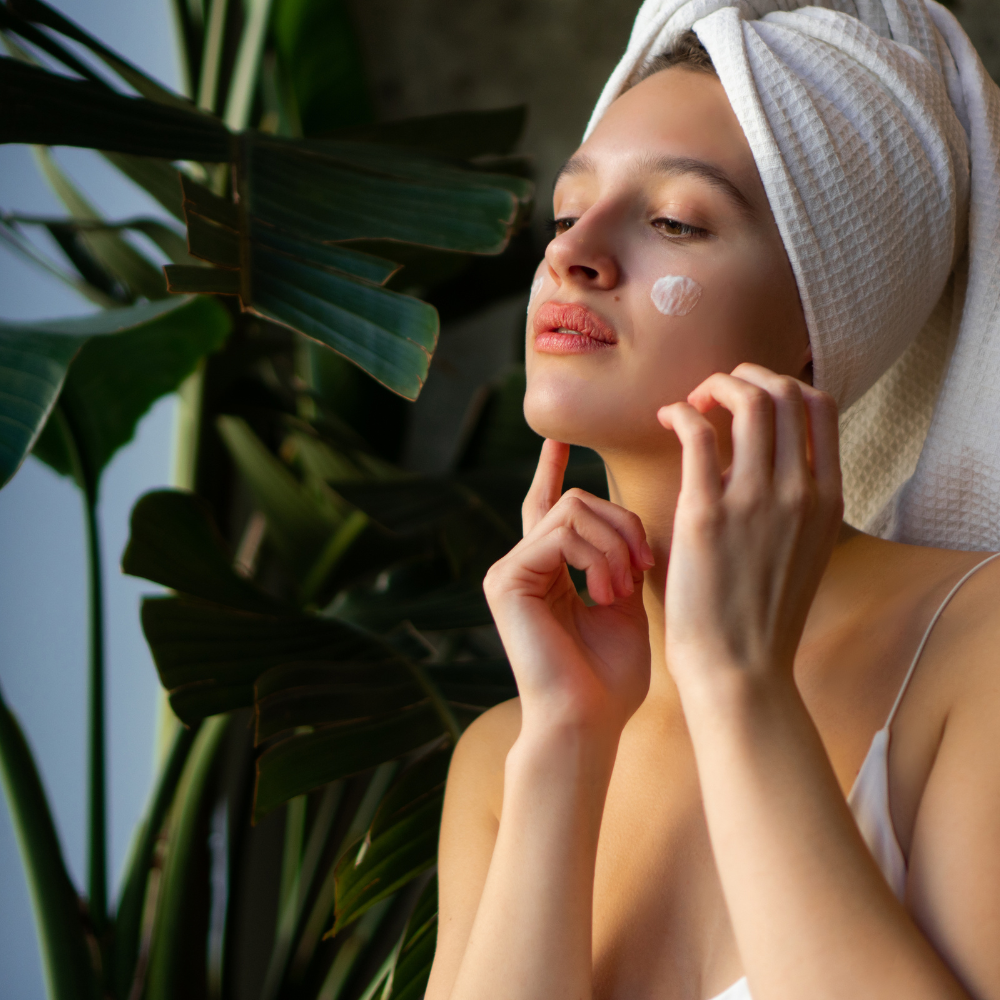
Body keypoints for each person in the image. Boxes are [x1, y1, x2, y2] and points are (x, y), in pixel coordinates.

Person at [425, 1, 1000, 997]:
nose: (571, 254)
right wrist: (565, 740)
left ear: (824, 320)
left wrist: (740, 685)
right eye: (566, 213)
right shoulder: (506, 752)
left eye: (674, 222)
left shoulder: (978, 649)